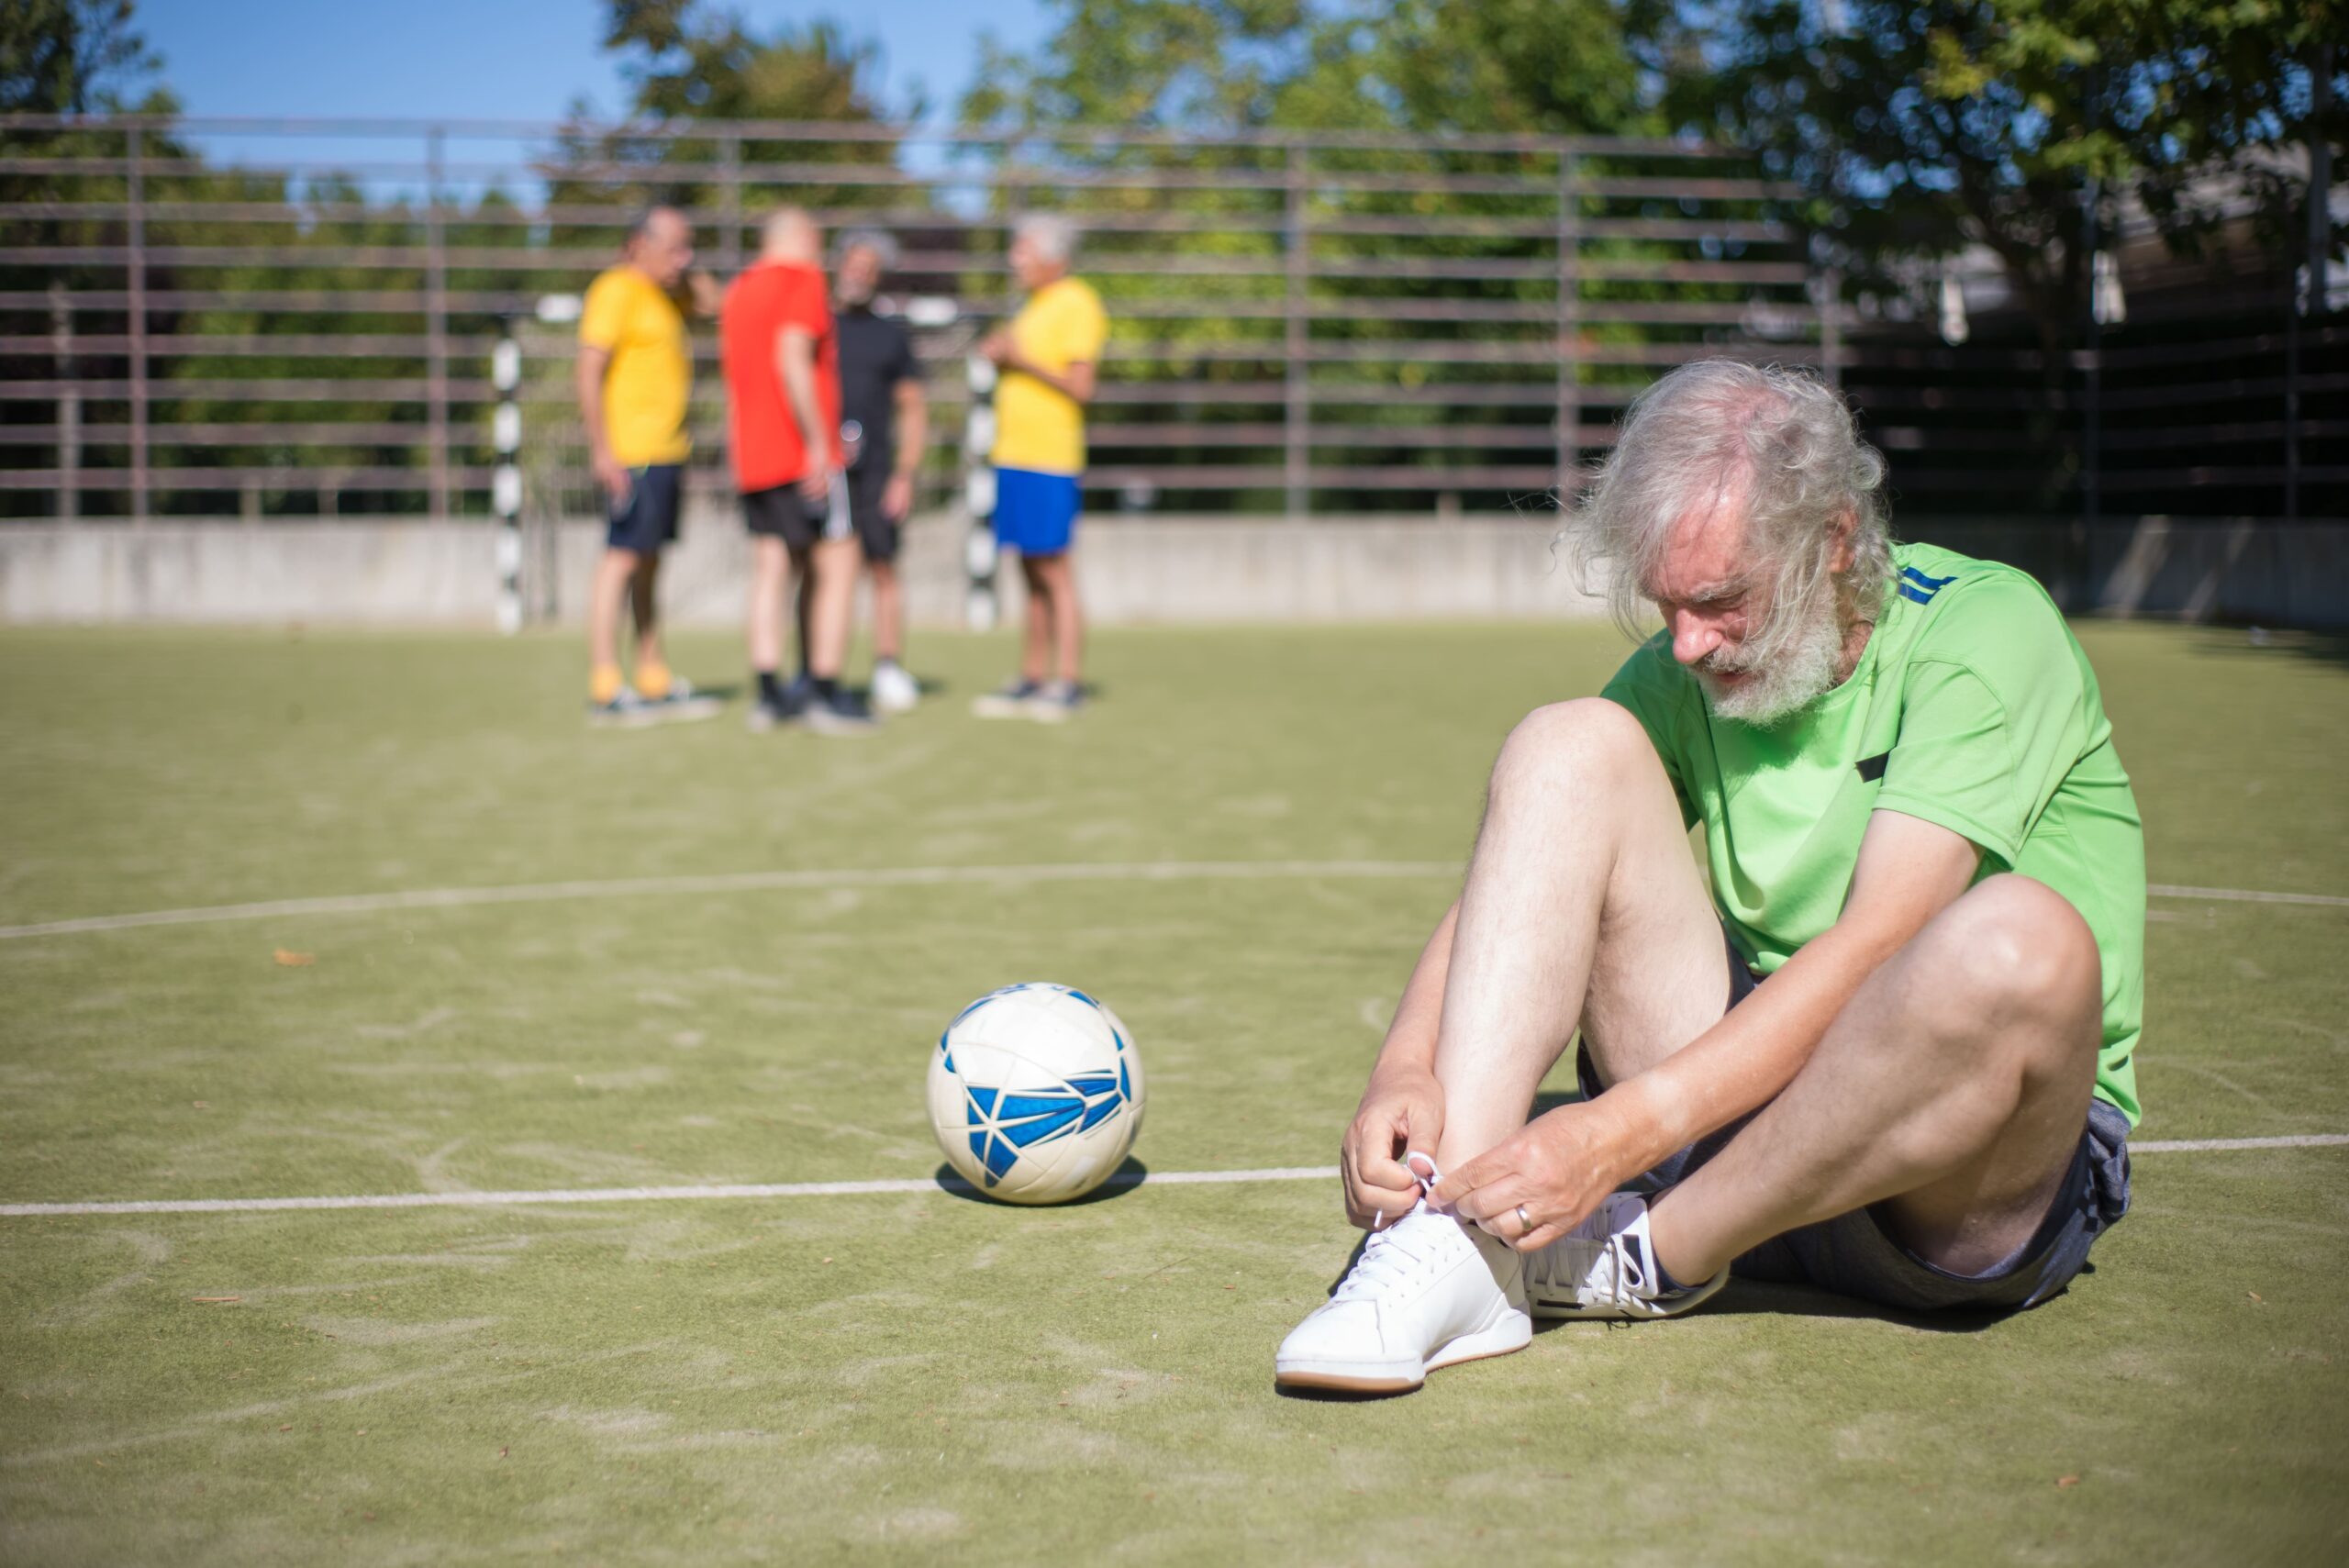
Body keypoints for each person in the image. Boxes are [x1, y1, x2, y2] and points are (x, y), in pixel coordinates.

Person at [1275, 361, 2143, 1396]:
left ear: (1829, 543)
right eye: (1665, 604)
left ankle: (1656, 1252)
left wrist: (1613, 1131)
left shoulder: (1981, 636)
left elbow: (1876, 947)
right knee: (1567, 743)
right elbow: (1530, 861)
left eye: (1719, 600)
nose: (1686, 641)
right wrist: (1406, 1062)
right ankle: (1443, 1241)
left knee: (2018, 941)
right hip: (1739, 1114)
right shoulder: (1688, 662)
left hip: (1946, 1185)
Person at [720, 206, 873, 734]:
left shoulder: (738, 291)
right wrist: (817, 446)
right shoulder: (802, 280)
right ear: (803, 238)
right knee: (840, 562)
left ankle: (770, 693)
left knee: (772, 568)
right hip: (798, 455)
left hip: (753, 457)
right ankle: (823, 693)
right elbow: (792, 361)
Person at [576, 205, 721, 725]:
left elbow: (715, 304)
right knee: (621, 559)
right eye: (674, 247)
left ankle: (652, 675)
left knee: (650, 562)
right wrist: (602, 449)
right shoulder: (616, 289)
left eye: (689, 248)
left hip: (667, 452)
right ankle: (606, 684)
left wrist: (685, 265)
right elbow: (589, 369)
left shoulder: (667, 294)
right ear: (638, 243)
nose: (683, 259)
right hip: (631, 454)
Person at [972, 214, 1107, 723]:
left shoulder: (1078, 302)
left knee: (1055, 569)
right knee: (1028, 569)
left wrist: (1020, 360)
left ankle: (1067, 681)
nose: (1015, 259)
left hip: (1050, 458)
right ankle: (1032, 677)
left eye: (1023, 250)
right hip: (1015, 455)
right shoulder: (1032, 305)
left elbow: (1081, 387)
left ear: (1055, 257)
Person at [832, 228, 929, 715]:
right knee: (824, 573)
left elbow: (913, 408)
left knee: (884, 569)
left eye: (868, 268)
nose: (858, 274)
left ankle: (888, 666)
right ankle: (822, 672)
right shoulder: (817, 328)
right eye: (853, 263)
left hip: (876, 472)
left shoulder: (891, 334)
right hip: (823, 471)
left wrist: (904, 474)